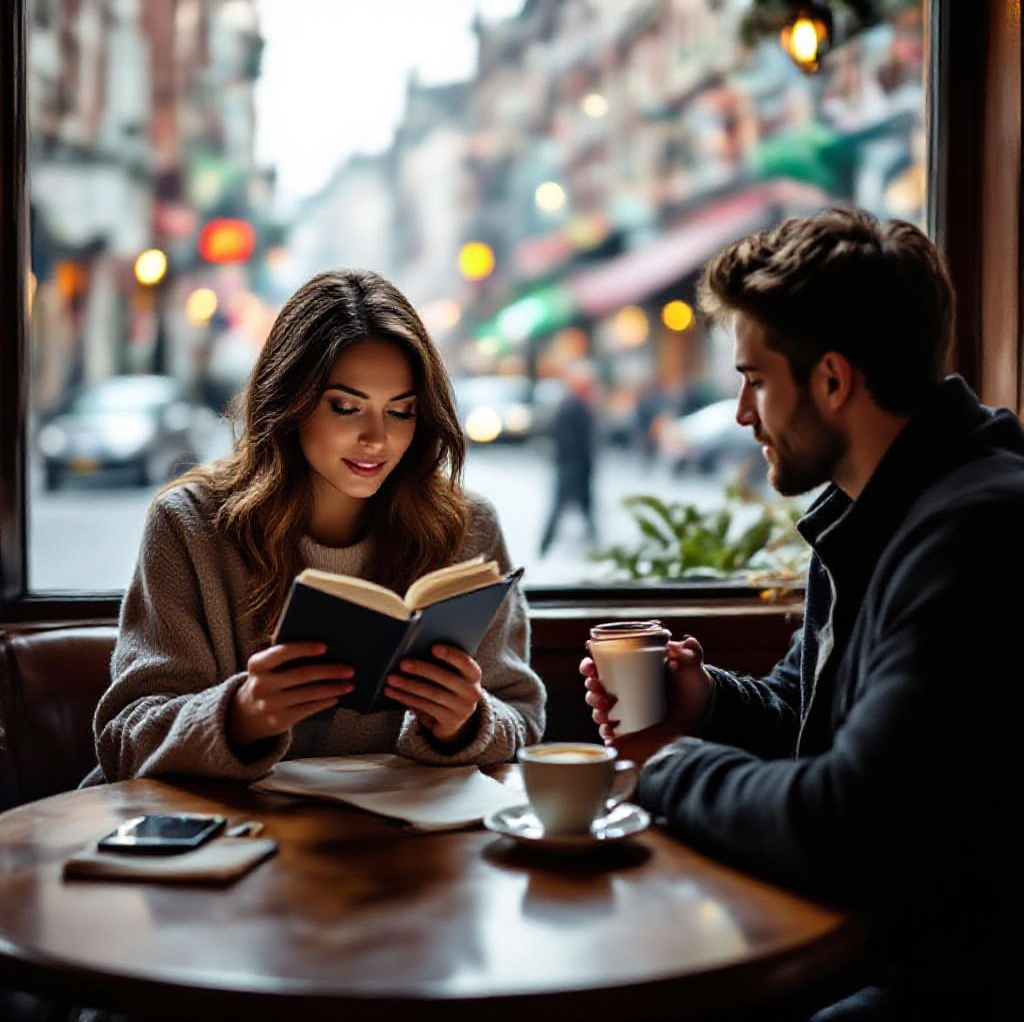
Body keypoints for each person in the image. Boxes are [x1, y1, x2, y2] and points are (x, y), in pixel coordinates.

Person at [582, 209, 1023, 1021]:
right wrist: (705, 700)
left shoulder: (976, 533)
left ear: (831, 380)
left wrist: (668, 763)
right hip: (874, 942)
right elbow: (805, 711)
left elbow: (847, 826)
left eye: (753, 378)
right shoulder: (874, 508)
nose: (743, 414)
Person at [87, 269, 545, 785]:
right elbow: (124, 736)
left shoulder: (467, 528)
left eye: (401, 411)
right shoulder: (190, 524)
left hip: (393, 841)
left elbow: (523, 717)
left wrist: (466, 722)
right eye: (346, 407)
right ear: (290, 402)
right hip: (233, 835)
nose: (377, 438)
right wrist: (241, 714)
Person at [538, 359, 598, 556]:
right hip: (572, 468)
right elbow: (569, 440)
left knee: (582, 510)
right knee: (562, 509)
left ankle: (594, 544)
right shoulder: (572, 406)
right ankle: (544, 548)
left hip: (576, 467)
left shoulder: (575, 404)